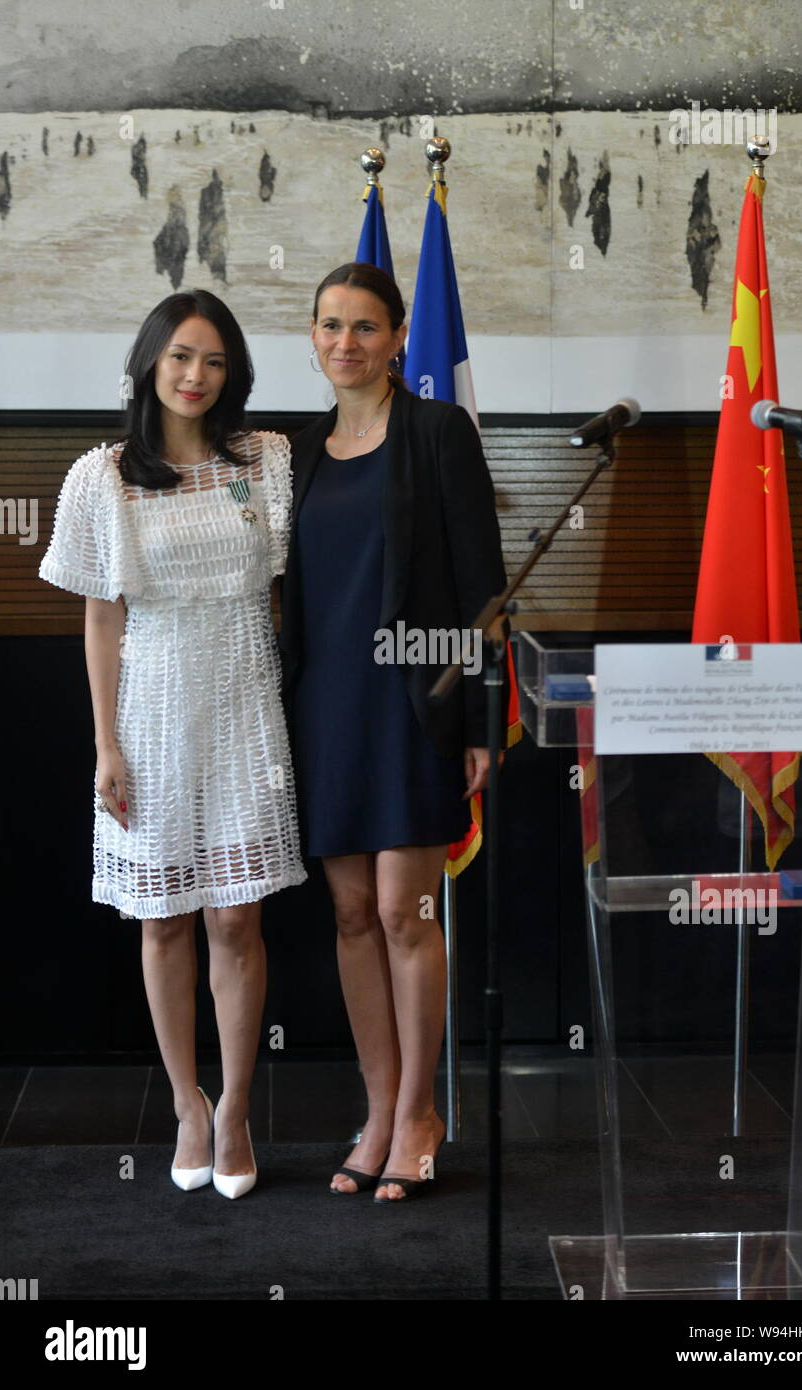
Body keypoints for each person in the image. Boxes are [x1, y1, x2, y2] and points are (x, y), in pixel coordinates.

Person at [39, 290, 306, 1200]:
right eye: (183, 357)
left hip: (244, 704)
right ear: (151, 361)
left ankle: (235, 1107)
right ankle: (186, 1105)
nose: (197, 376)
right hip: (149, 710)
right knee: (163, 918)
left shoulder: (264, 462)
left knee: (237, 915)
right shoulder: (101, 477)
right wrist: (107, 744)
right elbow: (101, 622)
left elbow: (288, 593)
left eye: (217, 361)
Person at [278, 262, 509, 1201]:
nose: (346, 342)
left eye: (365, 327)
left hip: (413, 702)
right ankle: (377, 1111)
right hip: (323, 708)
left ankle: (420, 1111)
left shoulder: (437, 432)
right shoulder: (292, 452)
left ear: (398, 336)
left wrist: (481, 718)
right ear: (313, 335)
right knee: (348, 914)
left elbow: (484, 586)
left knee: (407, 914)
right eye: (330, 325)